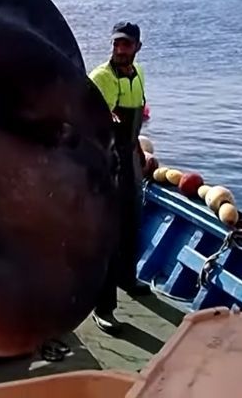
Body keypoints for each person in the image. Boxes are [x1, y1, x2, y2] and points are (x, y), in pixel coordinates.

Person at [88, 21, 151, 332]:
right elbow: (88, 126)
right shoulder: (101, 79)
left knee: (132, 225)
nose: (120, 50)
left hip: (130, 163)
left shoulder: (137, 76)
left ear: (138, 47)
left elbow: (135, 119)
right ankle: (104, 308)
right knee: (109, 236)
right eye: (116, 44)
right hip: (107, 165)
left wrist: (139, 153)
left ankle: (128, 278)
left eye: (126, 44)